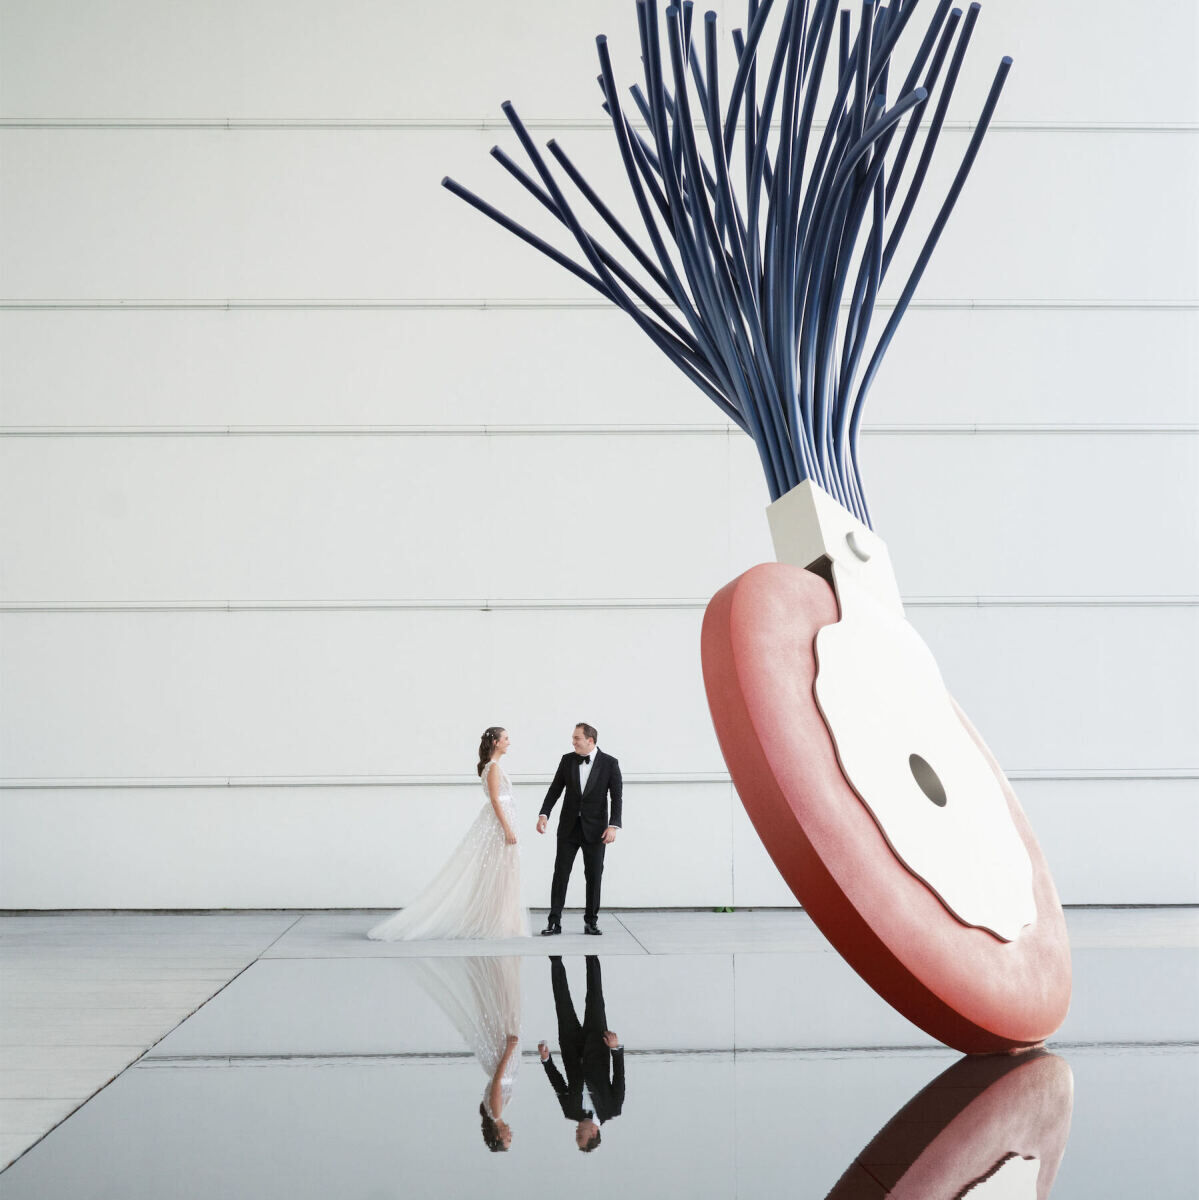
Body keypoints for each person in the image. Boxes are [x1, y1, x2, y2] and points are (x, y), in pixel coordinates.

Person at [367, 727, 531, 940]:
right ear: (496, 743)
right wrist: (507, 828)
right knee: (498, 872)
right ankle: (494, 921)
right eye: (506, 739)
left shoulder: (494, 767)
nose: (509, 742)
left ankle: (503, 921)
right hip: (498, 827)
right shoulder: (493, 769)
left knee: (504, 873)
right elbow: (495, 800)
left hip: (502, 824)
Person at [409, 955, 524, 1153]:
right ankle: (495, 964)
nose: (511, 1135)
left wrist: (509, 1050)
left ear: (498, 1136)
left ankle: (495, 963)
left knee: (501, 1003)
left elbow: (497, 1080)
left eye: (507, 1139)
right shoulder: (495, 1112)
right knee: (500, 1004)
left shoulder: (495, 1113)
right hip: (502, 1060)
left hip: (503, 1059)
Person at [536, 722, 623, 935]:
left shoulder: (610, 763)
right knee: (560, 874)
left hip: (596, 831)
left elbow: (616, 797)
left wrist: (613, 825)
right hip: (568, 829)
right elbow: (555, 788)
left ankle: (591, 921)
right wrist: (544, 813)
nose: (573, 742)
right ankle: (554, 922)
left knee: (594, 876)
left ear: (590, 740)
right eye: (573, 738)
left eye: (577, 738)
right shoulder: (567, 760)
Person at [538, 955, 625, 1152]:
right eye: (580, 1135)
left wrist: (546, 1060)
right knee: (595, 998)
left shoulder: (570, 1111)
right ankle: (591, 956)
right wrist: (615, 1048)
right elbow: (619, 1077)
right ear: (594, 1132)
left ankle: (556, 960)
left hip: (571, 1048)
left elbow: (558, 1083)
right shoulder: (612, 1108)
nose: (576, 1131)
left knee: (562, 1002)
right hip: (598, 1045)